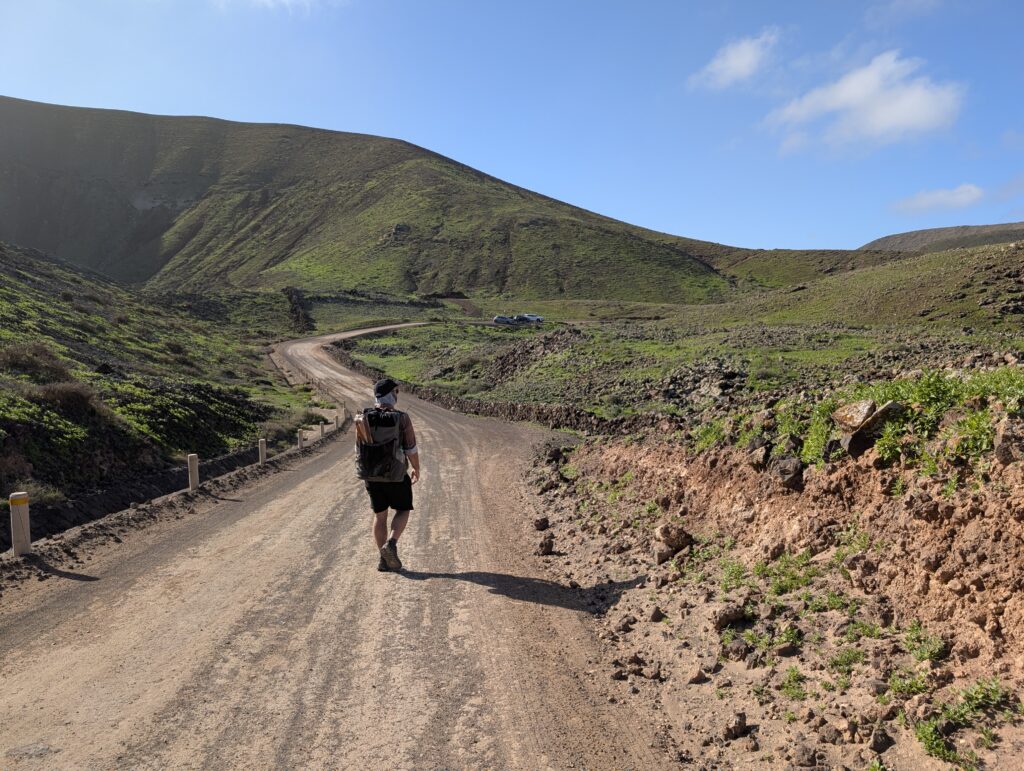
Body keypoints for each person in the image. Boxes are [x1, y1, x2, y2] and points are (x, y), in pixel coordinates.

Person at [357, 377, 420, 572]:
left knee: (380, 515)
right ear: (391, 394)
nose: (397, 395)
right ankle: (391, 544)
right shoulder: (402, 418)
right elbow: (410, 448)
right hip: (396, 473)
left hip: (371, 474)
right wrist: (416, 468)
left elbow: (359, 447)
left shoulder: (362, 417)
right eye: (396, 392)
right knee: (403, 510)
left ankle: (383, 560)